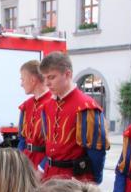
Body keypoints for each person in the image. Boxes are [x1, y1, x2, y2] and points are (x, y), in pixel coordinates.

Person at [38, 51, 109, 183]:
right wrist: (41, 169)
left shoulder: (86, 107)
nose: (47, 83)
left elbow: (96, 152)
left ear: (68, 74)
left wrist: (93, 182)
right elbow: (49, 148)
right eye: (45, 78)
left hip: (73, 180)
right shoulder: (47, 106)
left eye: (51, 77)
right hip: (48, 177)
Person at [17, 60, 51, 168]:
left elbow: (54, 145)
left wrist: (41, 168)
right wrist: (18, 160)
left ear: (33, 80)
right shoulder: (26, 105)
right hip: (26, 162)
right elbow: (22, 139)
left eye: (23, 79)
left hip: (44, 164)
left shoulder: (53, 103)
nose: (21, 84)